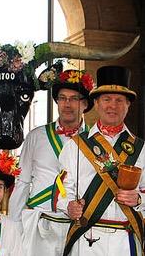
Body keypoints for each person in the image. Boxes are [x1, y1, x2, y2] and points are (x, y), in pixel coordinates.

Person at [58, 65, 145, 255]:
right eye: (106, 99)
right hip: (86, 238)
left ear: (128, 105)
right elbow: (62, 189)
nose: (112, 105)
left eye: (119, 100)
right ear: (96, 104)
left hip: (126, 241)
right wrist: (69, 206)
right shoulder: (75, 145)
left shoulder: (142, 149)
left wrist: (138, 199)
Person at [8, 66, 95, 256]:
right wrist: (12, 227)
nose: (67, 104)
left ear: (85, 104)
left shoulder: (94, 142)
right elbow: (22, 182)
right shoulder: (36, 136)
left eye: (74, 99)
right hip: (39, 222)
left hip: (78, 225)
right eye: (62, 98)